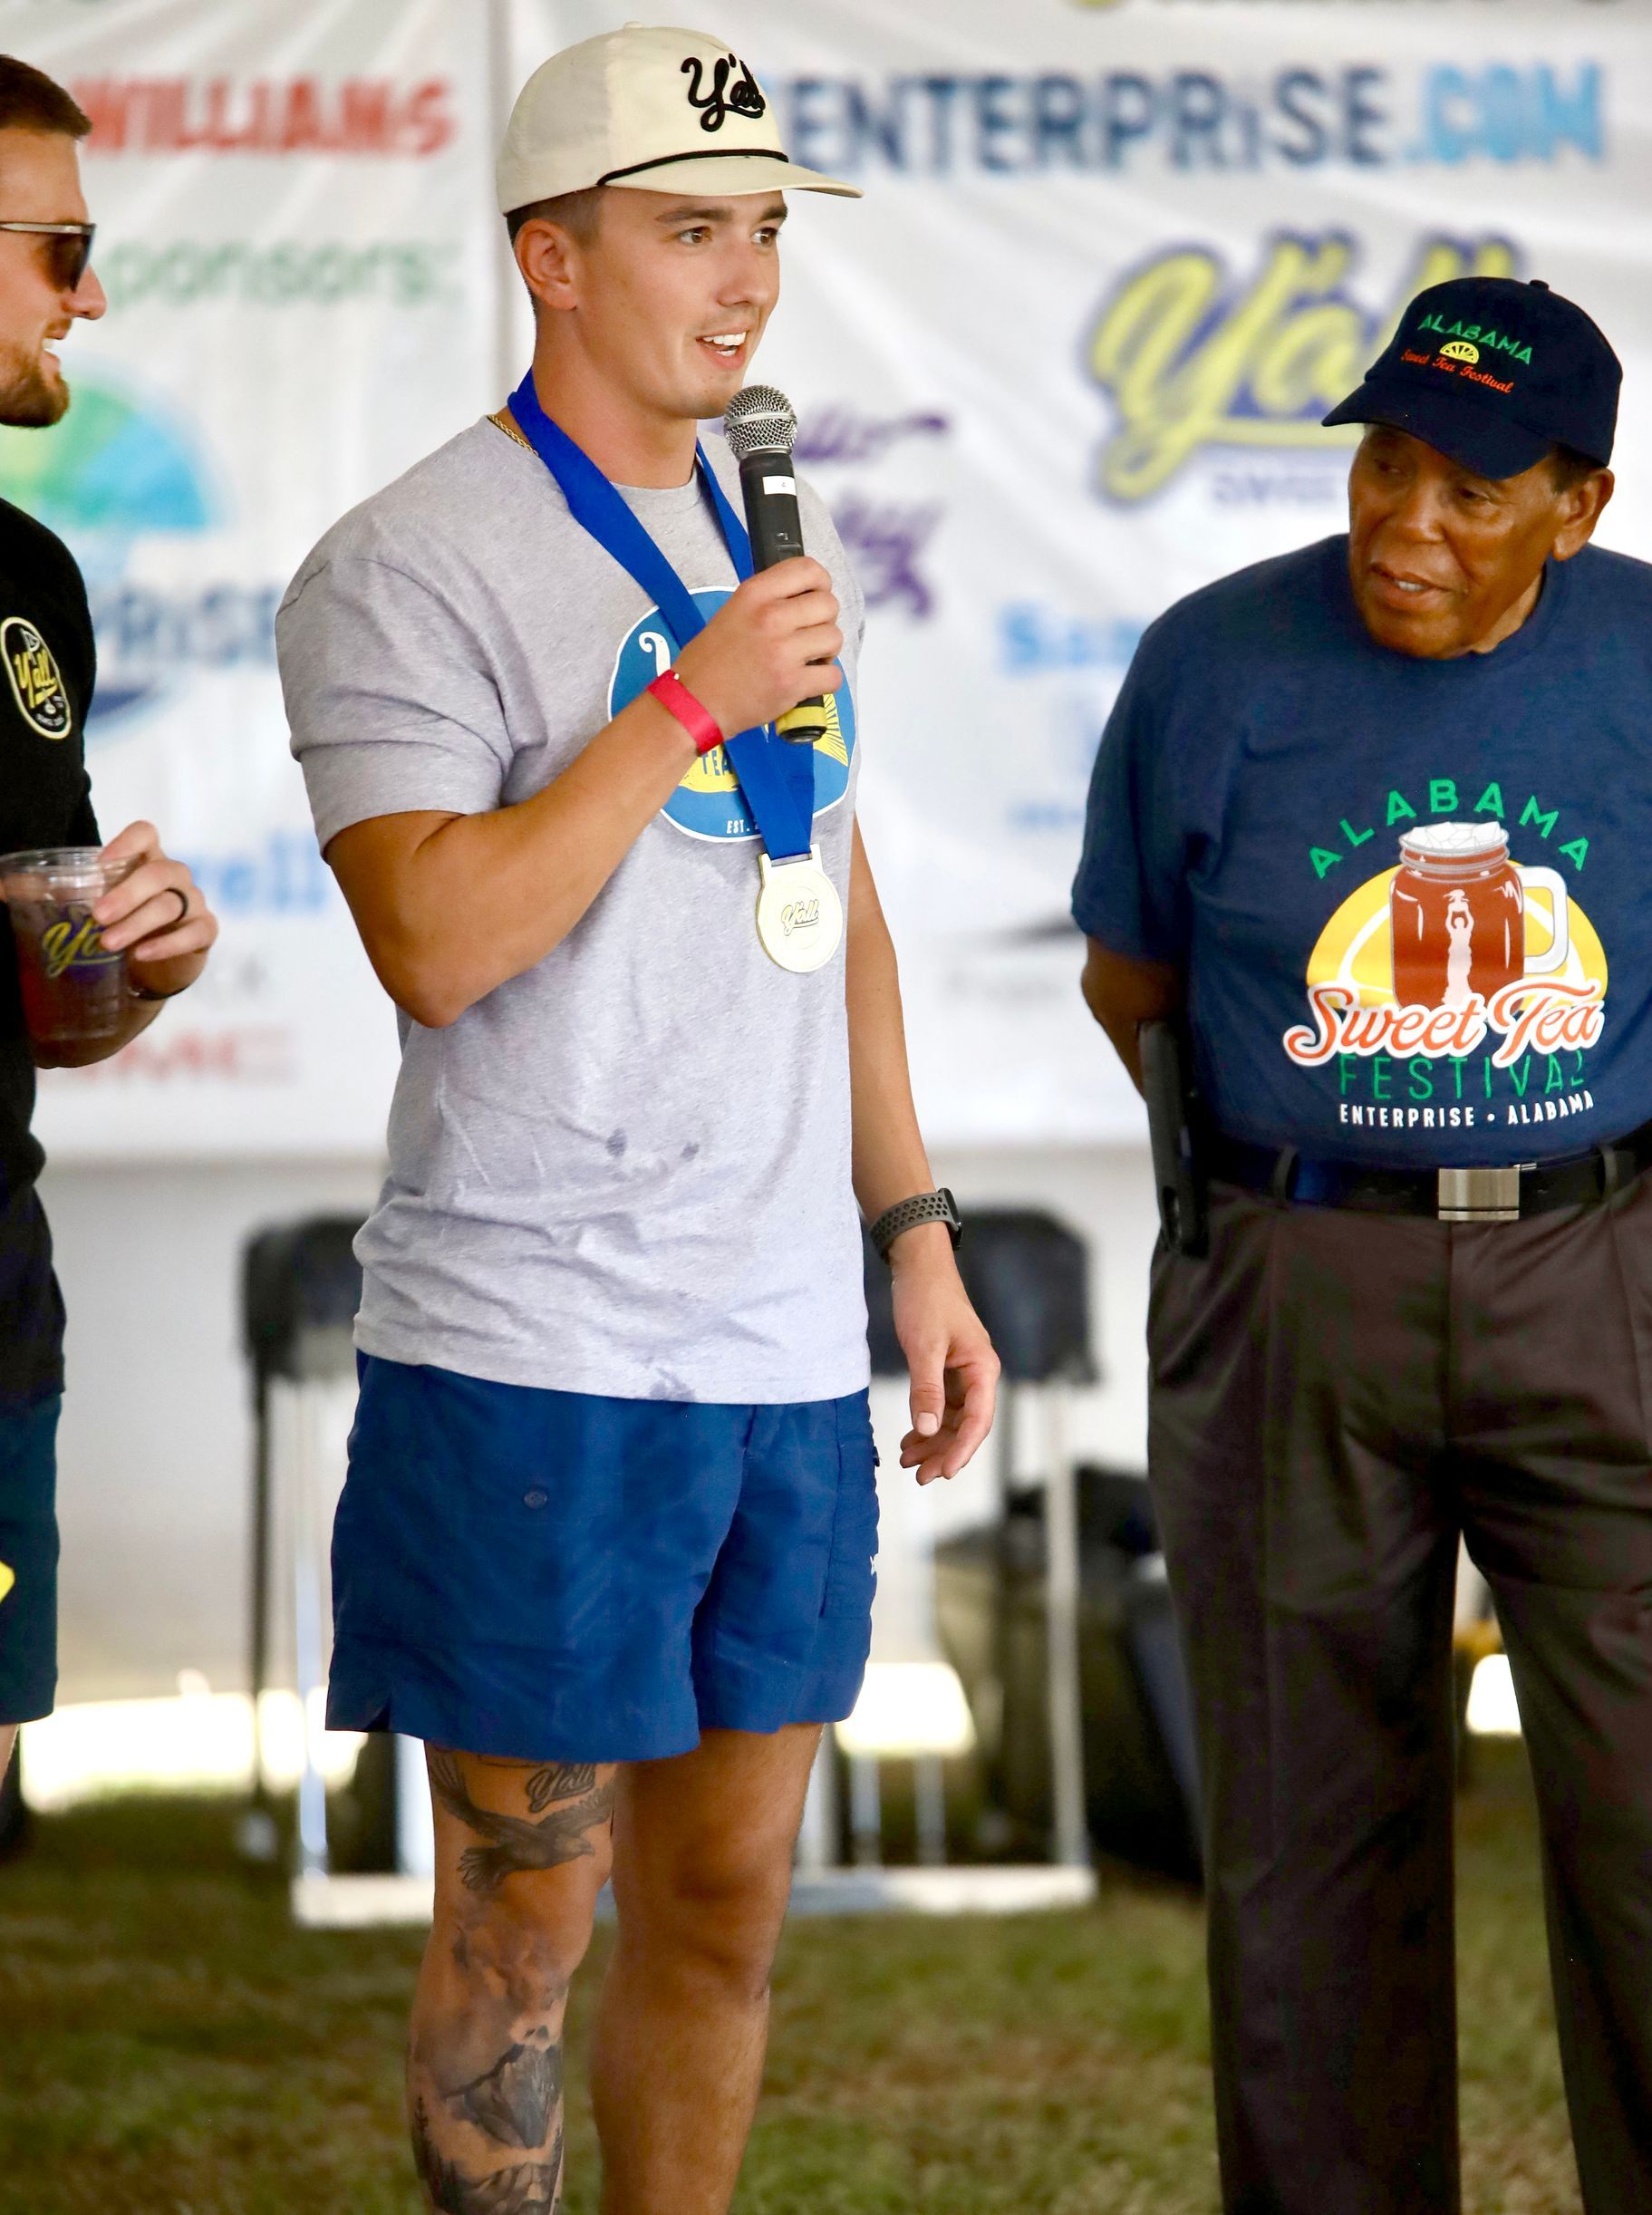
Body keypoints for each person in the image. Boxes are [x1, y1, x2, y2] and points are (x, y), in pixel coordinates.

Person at [276, 26, 998, 2214]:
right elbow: (440, 936)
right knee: (528, 1927)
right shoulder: (404, 562)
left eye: (767, 225)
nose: (750, 277)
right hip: (539, 1347)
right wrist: (685, 693)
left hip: (783, 1340)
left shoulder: (766, 533)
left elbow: (837, 892)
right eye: (693, 229)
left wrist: (918, 1227)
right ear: (552, 260)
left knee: (728, 1912)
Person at [1074, 274, 1652, 2215]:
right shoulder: (1214, 663)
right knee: (1306, 1842)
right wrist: (1354, 1148)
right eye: (1384, 463)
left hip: (1612, 1276)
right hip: (1295, 1282)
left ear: (1580, 505)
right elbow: (1139, 980)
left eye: (1470, 487)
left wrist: (1540, 1117)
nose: (1404, 521)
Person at [0, 58, 217, 1809]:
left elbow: (55, 1009)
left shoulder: (32, 578)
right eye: (61, 243)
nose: (93, 292)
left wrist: (132, 963)